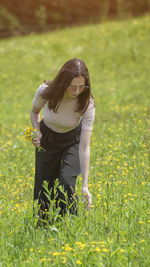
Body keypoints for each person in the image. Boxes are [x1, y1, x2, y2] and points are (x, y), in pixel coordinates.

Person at [30, 58, 95, 220]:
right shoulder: (45, 91)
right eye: (73, 86)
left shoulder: (87, 103)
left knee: (67, 182)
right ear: (63, 81)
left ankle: (69, 225)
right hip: (48, 139)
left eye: (82, 87)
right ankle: (42, 227)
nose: (77, 91)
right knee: (44, 188)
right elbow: (34, 112)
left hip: (72, 141)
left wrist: (85, 185)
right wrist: (36, 131)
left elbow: (85, 147)